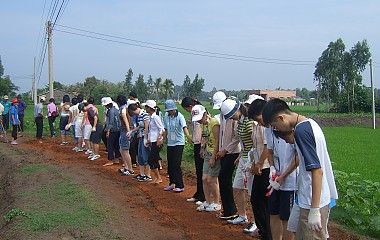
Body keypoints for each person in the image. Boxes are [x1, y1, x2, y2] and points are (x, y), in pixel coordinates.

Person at [262, 98, 338, 240]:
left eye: (275, 125)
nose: (276, 129)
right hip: (308, 198)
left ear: (281, 117)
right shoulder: (311, 124)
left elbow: (317, 171)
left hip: (312, 201)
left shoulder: (301, 132)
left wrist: (314, 209)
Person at [220, 99, 258, 231]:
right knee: (237, 187)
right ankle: (242, 215)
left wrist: (252, 160)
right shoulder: (240, 123)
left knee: (252, 191)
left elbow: (255, 143)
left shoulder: (249, 123)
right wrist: (240, 156)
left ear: (238, 110)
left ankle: (256, 220)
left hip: (251, 158)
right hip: (244, 157)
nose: (232, 118)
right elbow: (241, 141)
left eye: (232, 115)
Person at [266, 127, 298, 240]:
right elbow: (269, 151)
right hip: (276, 180)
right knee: (273, 213)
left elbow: (298, 157)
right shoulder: (268, 130)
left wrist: (284, 175)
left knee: (286, 217)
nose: (260, 123)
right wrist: (272, 167)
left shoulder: (289, 129)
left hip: (290, 181)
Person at [213, 92, 240, 220]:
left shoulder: (234, 115)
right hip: (224, 151)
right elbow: (223, 134)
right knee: (223, 178)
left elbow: (236, 137)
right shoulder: (223, 115)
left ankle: (231, 210)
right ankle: (227, 209)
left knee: (225, 178)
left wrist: (225, 150)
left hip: (233, 152)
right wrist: (220, 150)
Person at [247, 99, 272, 240]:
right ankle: (263, 230)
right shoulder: (257, 125)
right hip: (259, 167)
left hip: (265, 168)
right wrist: (254, 163)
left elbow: (267, 147)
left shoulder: (265, 126)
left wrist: (259, 163)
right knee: (256, 200)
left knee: (261, 201)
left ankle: (267, 233)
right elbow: (256, 148)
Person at [191, 105, 221, 212]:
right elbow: (205, 137)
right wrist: (202, 149)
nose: (198, 121)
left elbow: (218, 140)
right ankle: (208, 201)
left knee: (211, 179)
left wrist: (213, 157)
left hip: (214, 154)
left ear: (205, 114)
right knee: (204, 178)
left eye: (199, 118)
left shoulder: (214, 123)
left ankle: (217, 203)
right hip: (207, 152)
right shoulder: (203, 125)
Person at [159, 99, 191, 192]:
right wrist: (162, 140)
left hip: (179, 143)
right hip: (170, 143)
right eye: (168, 110)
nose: (169, 112)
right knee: (170, 164)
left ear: (174, 109)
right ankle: (172, 183)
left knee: (176, 164)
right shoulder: (166, 116)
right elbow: (166, 129)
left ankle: (180, 185)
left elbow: (184, 127)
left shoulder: (180, 116)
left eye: (170, 110)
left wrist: (188, 137)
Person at [181, 97, 206, 203]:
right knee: (198, 171)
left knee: (202, 171)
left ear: (190, 106)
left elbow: (203, 130)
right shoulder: (195, 113)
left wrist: (201, 145)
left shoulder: (200, 112)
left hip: (201, 144)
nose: (187, 111)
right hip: (197, 143)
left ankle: (203, 195)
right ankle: (199, 193)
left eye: (186, 109)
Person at [128, 102, 151, 181]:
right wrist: (132, 131)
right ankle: (142, 174)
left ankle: (147, 175)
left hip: (144, 137)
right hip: (141, 137)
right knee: (140, 155)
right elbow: (140, 126)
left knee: (146, 155)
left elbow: (147, 126)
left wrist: (146, 138)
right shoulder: (139, 115)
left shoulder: (144, 114)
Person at [145, 100, 164, 184]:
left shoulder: (155, 117)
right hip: (153, 141)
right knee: (154, 159)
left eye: (146, 107)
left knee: (151, 159)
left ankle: (158, 177)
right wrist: (149, 139)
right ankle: (157, 177)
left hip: (157, 142)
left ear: (149, 108)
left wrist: (159, 139)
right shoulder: (151, 117)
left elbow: (162, 129)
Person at [116, 95, 134, 175]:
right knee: (122, 149)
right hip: (124, 130)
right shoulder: (126, 108)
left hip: (125, 131)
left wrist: (128, 132)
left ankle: (130, 169)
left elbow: (126, 121)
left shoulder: (123, 110)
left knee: (125, 150)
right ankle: (126, 167)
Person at [103, 97, 121, 166]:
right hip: (118, 129)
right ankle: (116, 158)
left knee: (109, 145)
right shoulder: (116, 110)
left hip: (113, 130)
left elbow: (111, 122)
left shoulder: (110, 111)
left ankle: (110, 159)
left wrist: (108, 131)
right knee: (116, 145)